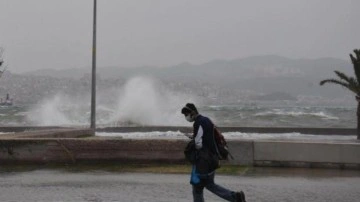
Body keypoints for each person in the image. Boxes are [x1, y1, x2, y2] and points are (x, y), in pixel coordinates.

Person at [181, 103, 246, 202]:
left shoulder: (198, 122)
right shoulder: (207, 120)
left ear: (193, 112)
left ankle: (235, 197)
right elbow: (208, 137)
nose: (186, 117)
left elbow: (199, 143)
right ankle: (235, 197)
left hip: (203, 161)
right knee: (209, 185)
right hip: (212, 159)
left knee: (198, 187)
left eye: (187, 114)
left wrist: (193, 144)